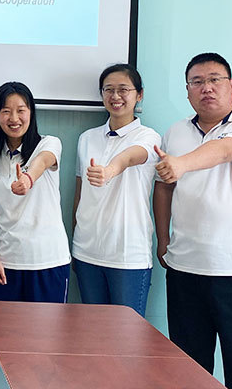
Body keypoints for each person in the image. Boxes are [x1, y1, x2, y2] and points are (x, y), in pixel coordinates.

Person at [154, 53, 232, 389]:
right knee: (188, 372)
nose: (207, 88)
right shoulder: (175, 132)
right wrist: (163, 240)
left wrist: (181, 165)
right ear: (188, 91)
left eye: (215, 79)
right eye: (197, 82)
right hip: (185, 270)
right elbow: (163, 190)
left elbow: (223, 151)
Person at [71, 64, 160, 316]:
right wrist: (74, 237)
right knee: (93, 335)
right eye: (108, 90)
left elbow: (132, 157)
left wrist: (109, 170)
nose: (115, 96)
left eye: (123, 90)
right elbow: (80, 193)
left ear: (139, 94)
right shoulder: (87, 138)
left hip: (128, 255)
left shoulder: (148, 136)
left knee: (127, 340)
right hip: (87, 252)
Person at [0, 81, 70, 302]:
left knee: (47, 336)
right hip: (5, 264)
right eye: (6, 111)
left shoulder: (48, 143)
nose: (14, 119)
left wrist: (28, 178)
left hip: (47, 261)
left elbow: (43, 161)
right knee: (3, 335)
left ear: (31, 112)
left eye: (21, 110)